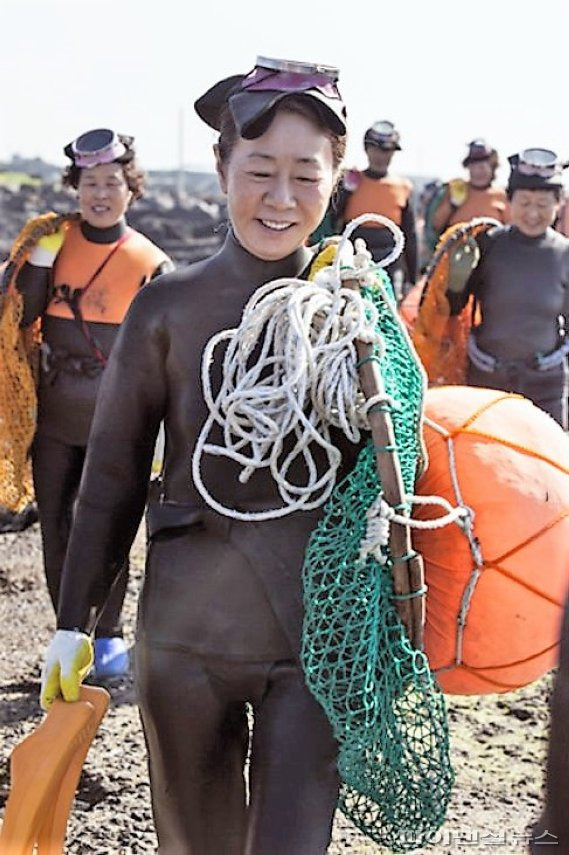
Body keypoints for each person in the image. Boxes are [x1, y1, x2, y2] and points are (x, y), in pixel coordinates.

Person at [40, 57, 357, 853]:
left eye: (303, 176)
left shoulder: (351, 317)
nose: (279, 198)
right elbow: (111, 476)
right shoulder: (168, 308)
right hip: (185, 642)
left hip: (312, 643)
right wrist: (73, 622)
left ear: (335, 181)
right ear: (221, 167)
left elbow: (391, 486)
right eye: (258, 171)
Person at [12, 130, 173, 677]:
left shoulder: (152, 261)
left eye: (111, 183)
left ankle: (107, 635)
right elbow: (19, 316)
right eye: (89, 183)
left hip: (117, 420)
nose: (99, 194)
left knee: (109, 524)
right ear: (75, 187)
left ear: (131, 189)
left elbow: (166, 355)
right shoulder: (53, 244)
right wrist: (41, 257)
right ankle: (67, 630)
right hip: (57, 416)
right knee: (56, 524)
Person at [446, 148, 569, 427]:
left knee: (546, 466)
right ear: (509, 201)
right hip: (486, 379)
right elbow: (453, 308)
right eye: (524, 203)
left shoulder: (565, 254)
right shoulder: (488, 244)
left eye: (543, 204)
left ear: (559, 203)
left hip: (545, 385)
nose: (533, 213)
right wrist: (456, 278)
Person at [335, 120, 418, 302]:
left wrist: (412, 278)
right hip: (354, 256)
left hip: (389, 259)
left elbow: (410, 235)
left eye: (387, 151)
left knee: (387, 307)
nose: (382, 156)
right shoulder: (351, 180)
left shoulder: (403, 187)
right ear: (367, 149)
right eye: (377, 149)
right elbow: (332, 219)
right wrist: (346, 191)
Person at [430, 139, 510, 242]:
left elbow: (512, 230)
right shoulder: (456, 190)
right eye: (473, 167)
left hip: (491, 251)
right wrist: (453, 204)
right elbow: (436, 225)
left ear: (492, 167)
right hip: (458, 249)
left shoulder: (502, 195)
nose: (477, 172)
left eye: (482, 167)